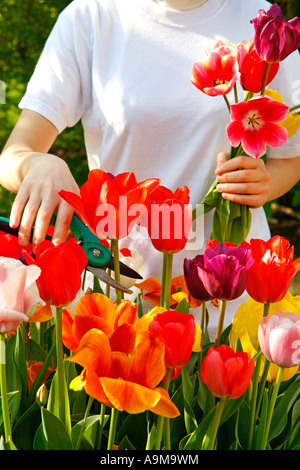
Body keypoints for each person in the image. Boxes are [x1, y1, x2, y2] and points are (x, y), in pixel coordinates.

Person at [1, 0, 300, 335]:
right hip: (116, 293)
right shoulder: (90, 18)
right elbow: (11, 157)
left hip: (232, 302)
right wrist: (39, 163)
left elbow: (291, 156)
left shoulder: (261, 23)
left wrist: (265, 185)